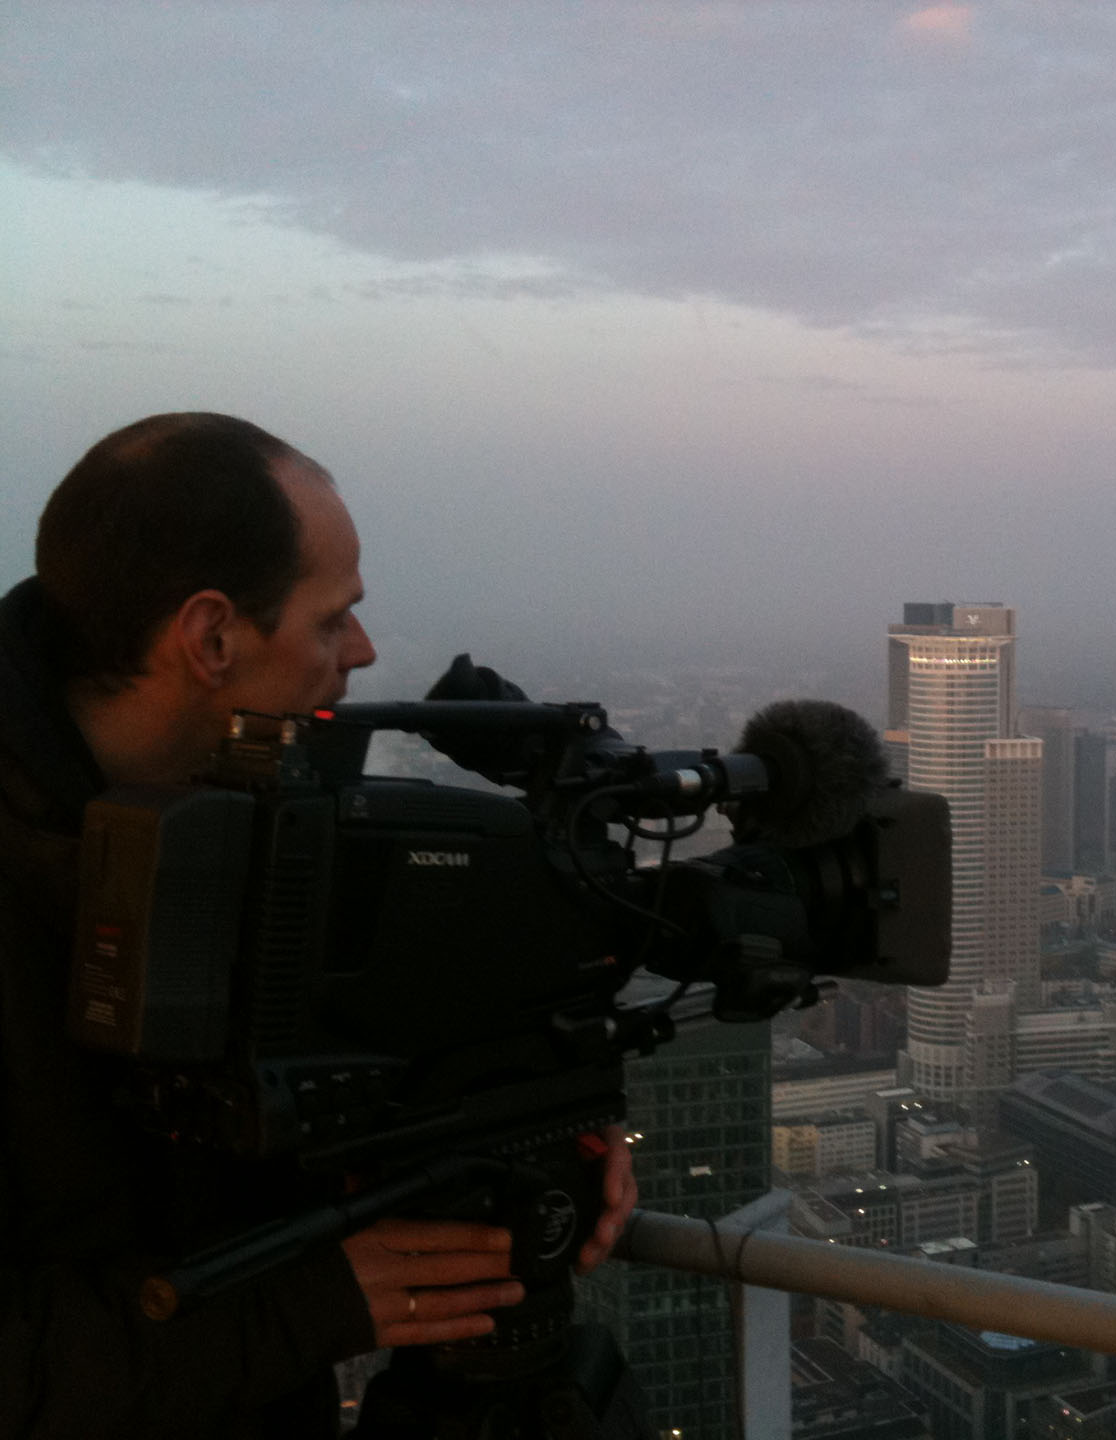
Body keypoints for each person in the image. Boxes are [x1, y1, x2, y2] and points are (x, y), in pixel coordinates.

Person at [0, 414, 638, 1437]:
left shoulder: (253, 809)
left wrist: (517, 1137)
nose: (364, 651)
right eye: (333, 619)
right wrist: (303, 1307)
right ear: (211, 637)